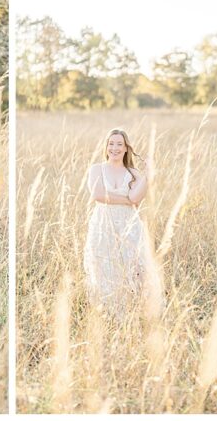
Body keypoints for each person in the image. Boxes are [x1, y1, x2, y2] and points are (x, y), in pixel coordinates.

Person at [83, 128, 151, 319]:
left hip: (129, 225)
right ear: (106, 147)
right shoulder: (97, 169)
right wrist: (126, 199)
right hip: (103, 224)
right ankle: (107, 313)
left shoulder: (134, 173)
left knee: (133, 266)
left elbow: (136, 198)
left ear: (126, 148)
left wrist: (148, 175)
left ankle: (133, 311)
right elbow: (98, 195)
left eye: (119, 144)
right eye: (111, 143)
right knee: (104, 265)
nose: (115, 148)